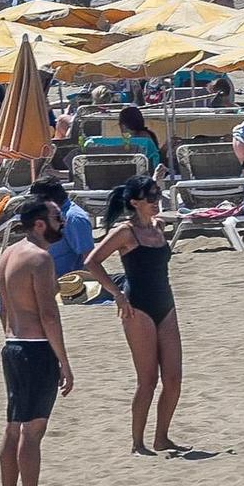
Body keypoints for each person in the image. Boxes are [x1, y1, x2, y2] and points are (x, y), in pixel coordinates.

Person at [83, 179, 186, 455]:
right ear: (134, 202)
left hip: (166, 303)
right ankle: (137, 442)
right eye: (149, 197)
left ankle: (161, 437)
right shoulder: (125, 232)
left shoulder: (159, 226)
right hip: (137, 307)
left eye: (157, 195)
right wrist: (116, 293)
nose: (156, 200)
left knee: (174, 378)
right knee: (148, 380)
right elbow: (91, 262)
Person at [0, 198, 74, 486]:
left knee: (13, 427)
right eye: (58, 217)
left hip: (12, 346)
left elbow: (3, 309)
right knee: (32, 431)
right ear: (40, 224)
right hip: (35, 348)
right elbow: (49, 315)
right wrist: (64, 362)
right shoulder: (40, 259)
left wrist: (11, 337)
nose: (63, 222)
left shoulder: (7, 255)